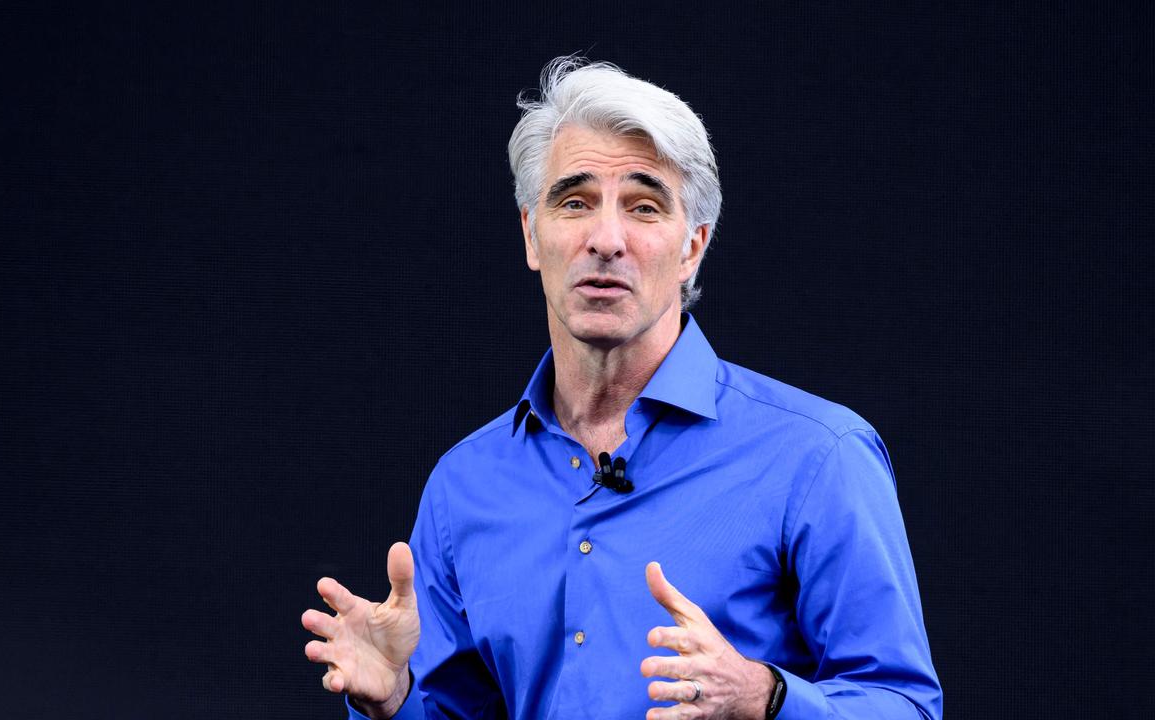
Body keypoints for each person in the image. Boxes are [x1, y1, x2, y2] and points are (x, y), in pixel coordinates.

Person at [301, 57, 943, 720]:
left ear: (693, 246)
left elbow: (904, 706)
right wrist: (396, 701)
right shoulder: (463, 486)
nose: (606, 239)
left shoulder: (818, 457)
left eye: (643, 206)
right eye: (575, 202)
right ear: (531, 233)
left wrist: (762, 696)